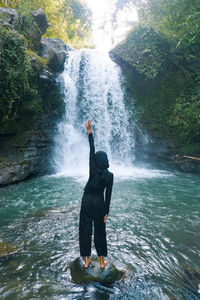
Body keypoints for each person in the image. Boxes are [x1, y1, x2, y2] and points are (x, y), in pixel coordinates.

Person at [79, 120, 114, 269]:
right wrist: (106, 212)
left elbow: (91, 149)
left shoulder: (92, 169)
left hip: (87, 199)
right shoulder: (110, 175)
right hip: (99, 202)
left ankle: (86, 261)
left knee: (85, 229)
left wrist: (89, 131)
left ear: (96, 161)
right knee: (100, 231)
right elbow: (108, 195)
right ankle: (101, 262)